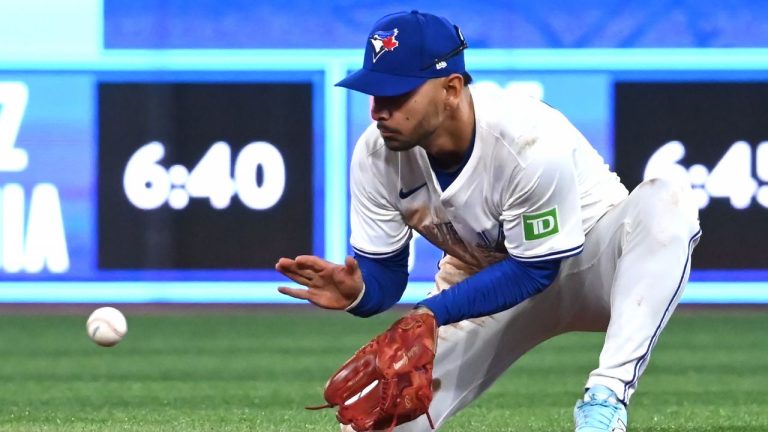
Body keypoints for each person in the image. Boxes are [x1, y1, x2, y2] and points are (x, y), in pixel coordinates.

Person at [276, 10, 701, 432]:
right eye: (374, 92)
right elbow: (385, 274)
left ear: (451, 89)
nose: (378, 111)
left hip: (593, 263)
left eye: (396, 94)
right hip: (484, 283)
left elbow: (536, 269)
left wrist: (430, 312)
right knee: (374, 424)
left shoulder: (528, 139)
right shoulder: (376, 155)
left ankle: (606, 397)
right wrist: (362, 292)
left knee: (668, 200)